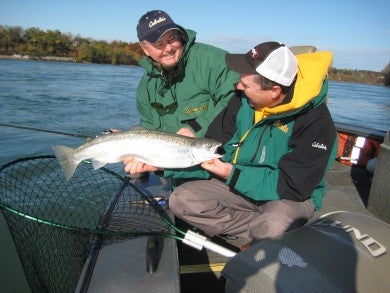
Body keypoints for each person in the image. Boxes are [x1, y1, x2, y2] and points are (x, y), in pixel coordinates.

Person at [168, 41, 338, 246]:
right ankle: (262, 234)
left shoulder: (316, 122)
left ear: (274, 91)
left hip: (287, 196)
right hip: (237, 181)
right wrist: (161, 166)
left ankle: (267, 233)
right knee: (181, 200)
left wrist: (232, 174)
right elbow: (215, 147)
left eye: (246, 85)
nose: (238, 87)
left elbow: (293, 187)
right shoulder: (240, 101)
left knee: (274, 225)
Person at [124, 10, 239, 176]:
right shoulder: (146, 87)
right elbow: (149, 127)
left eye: (172, 39)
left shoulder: (212, 60)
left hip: (223, 164)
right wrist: (149, 161)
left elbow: (237, 99)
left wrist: (196, 128)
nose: (169, 48)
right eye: (159, 44)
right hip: (179, 171)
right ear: (145, 49)